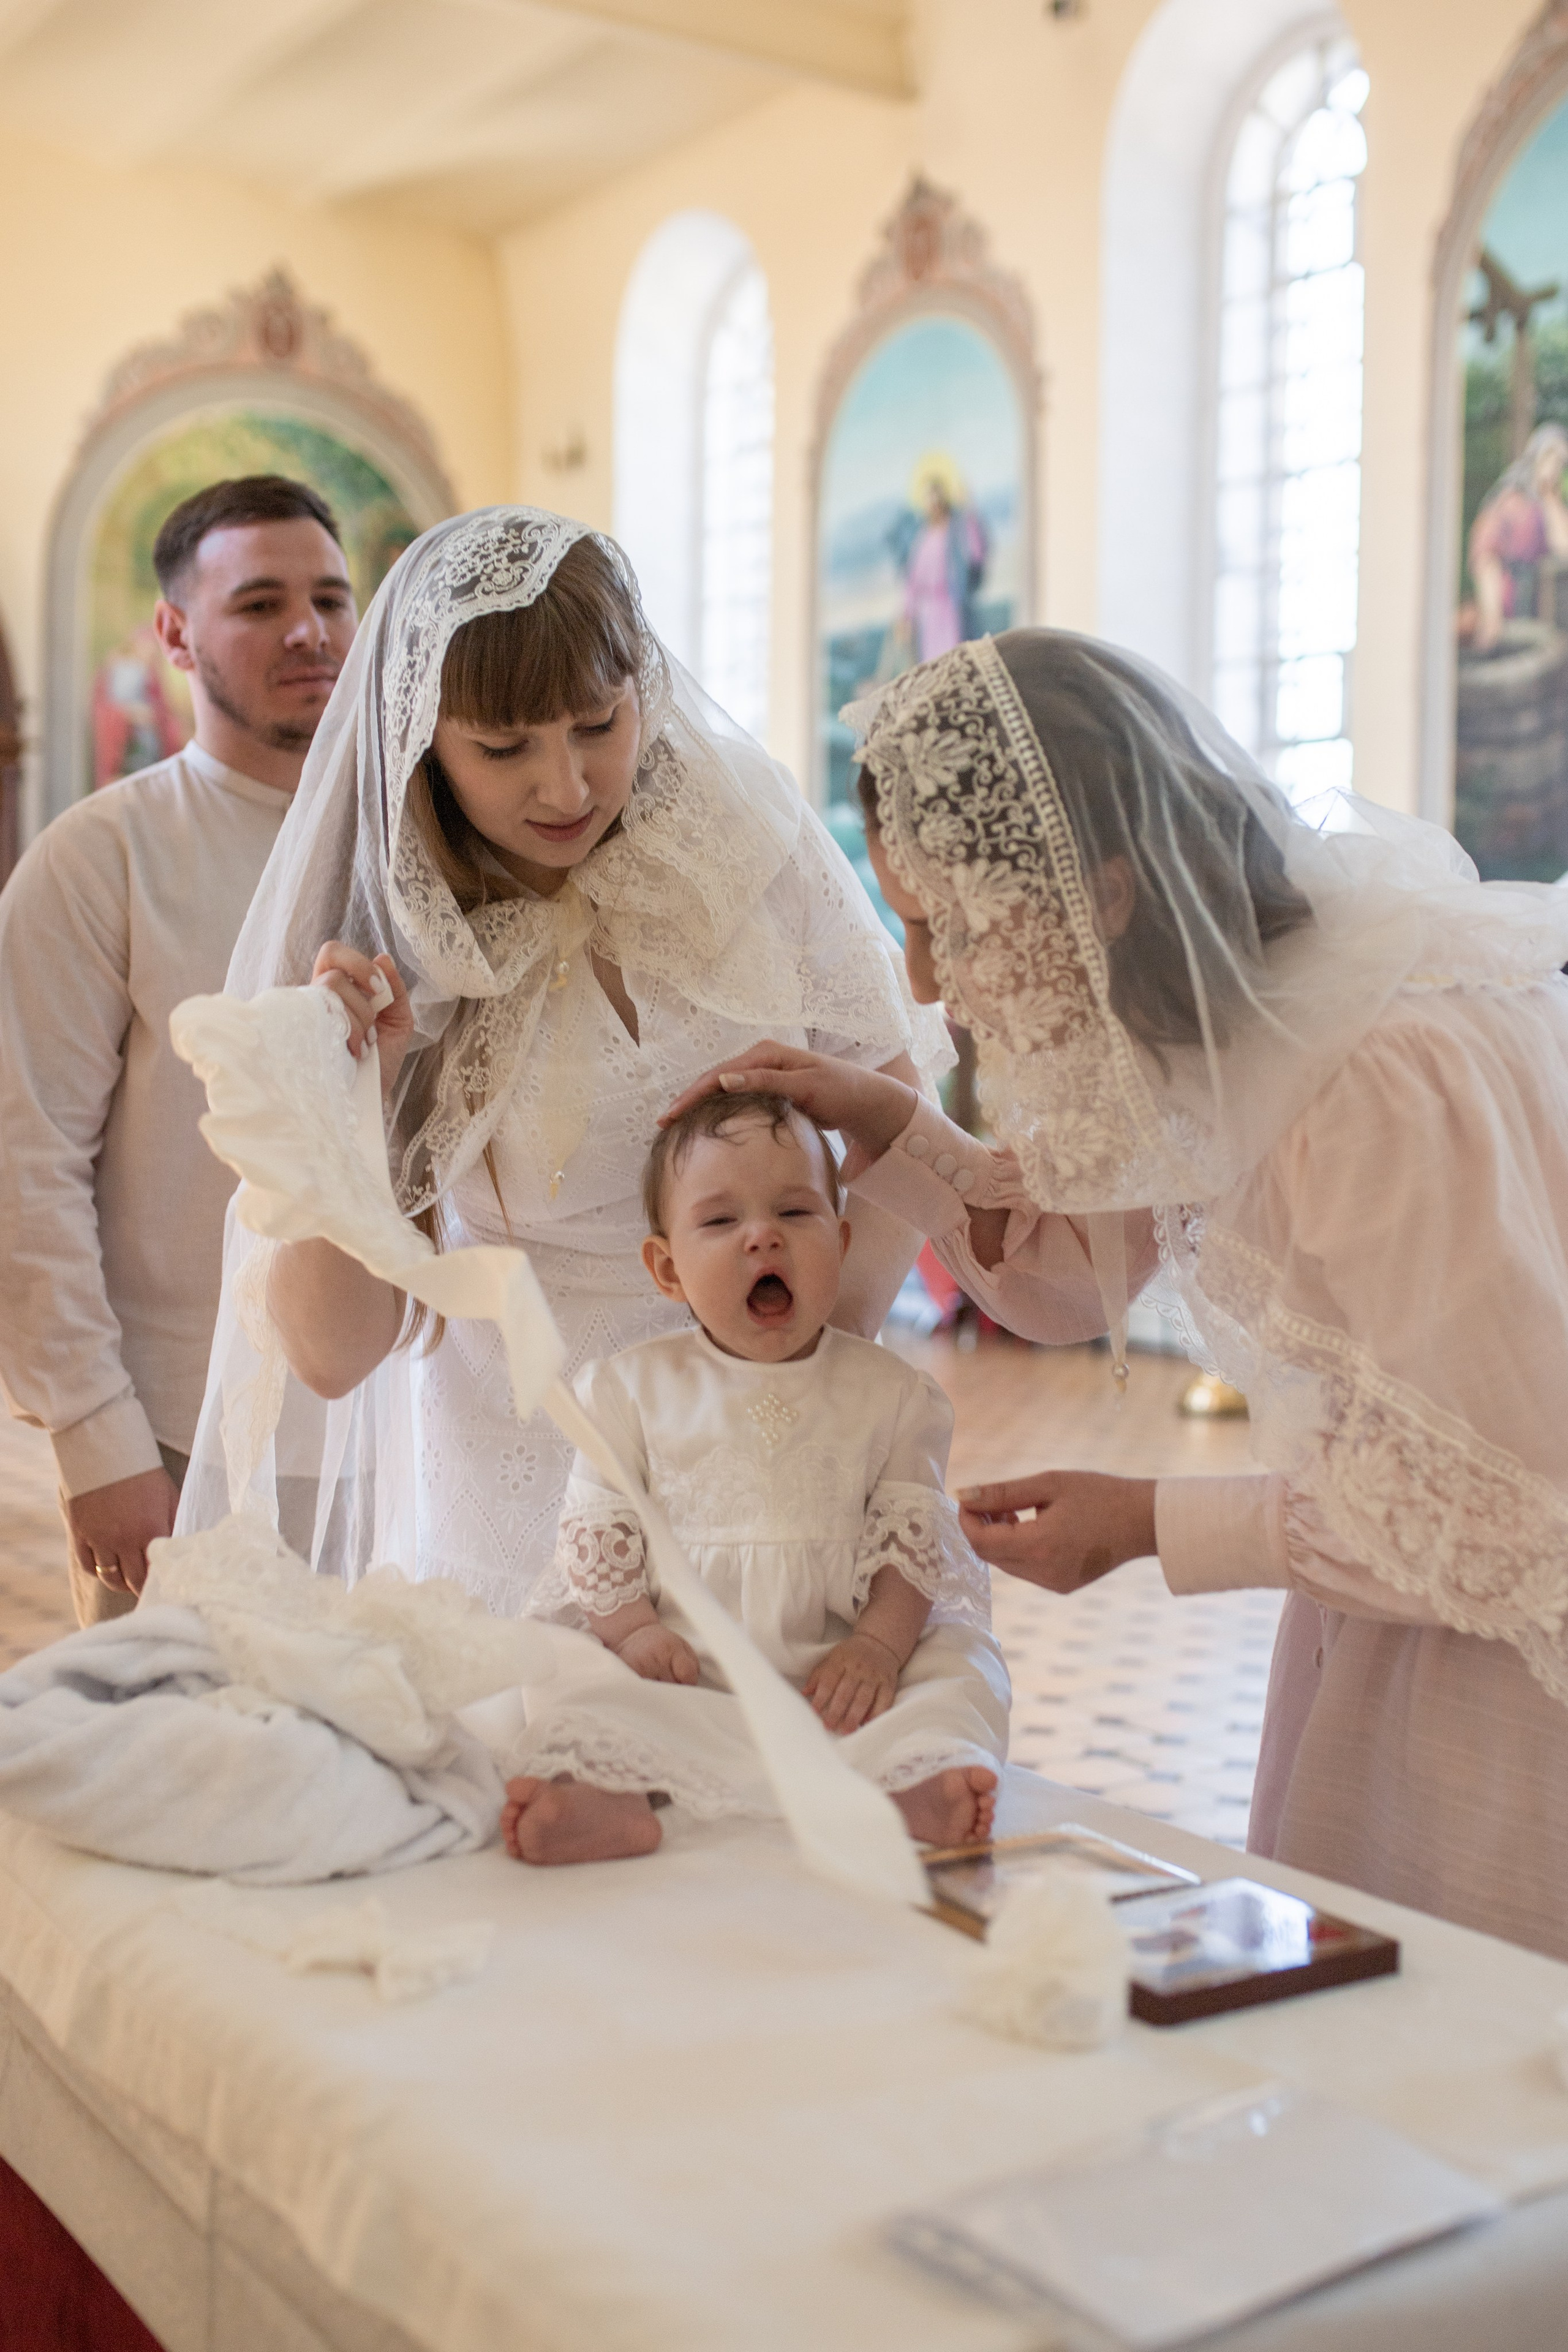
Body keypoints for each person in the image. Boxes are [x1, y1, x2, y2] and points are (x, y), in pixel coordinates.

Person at [668, 627, 1568, 1963]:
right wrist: (888, 1123)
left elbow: (1504, 1515)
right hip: (1381, 1623)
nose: (924, 981)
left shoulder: (1379, 1070)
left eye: (951, 930)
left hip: (1500, 1675)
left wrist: (1149, 1521)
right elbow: (1056, 1283)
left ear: (1104, 892)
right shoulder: (1219, 1030)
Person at [182, 508, 947, 1614]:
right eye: (504, 749)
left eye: (600, 722)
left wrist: (812, 1379)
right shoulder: (389, 958)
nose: (569, 787)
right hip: (527, 1509)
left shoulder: (743, 841)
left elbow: (896, 1118)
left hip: (786, 1481)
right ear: (421, 745)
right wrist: (361, 1094)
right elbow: (331, 1354)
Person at [0, 477, 356, 1624]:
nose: (308, 631)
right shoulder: (100, 856)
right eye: (259, 603)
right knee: (180, 1780)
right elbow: (25, 1158)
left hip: (405, 1423)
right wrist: (96, 1440)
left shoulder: (424, 843)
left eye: (331, 598)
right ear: (173, 634)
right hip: (175, 1426)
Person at [500, 1088, 1006, 1865]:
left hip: (838, 1682)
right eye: (720, 1220)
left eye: (795, 1214)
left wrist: (876, 1646)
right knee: (568, 1670)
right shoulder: (624, 1388)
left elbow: (912, 1551)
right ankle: (602, 1788)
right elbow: (597, 1536)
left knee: (957, 1666)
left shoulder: (896, 1397)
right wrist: (632, 1631)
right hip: (678, 1671)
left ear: (841, 1243)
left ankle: (915, 1777)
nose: (762, 1237)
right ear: (667, 1268)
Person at [1465, 422, 1568, 652]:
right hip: (1509, 610)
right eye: (1550, 457)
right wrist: (1492, 613)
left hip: (1547, 612)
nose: (1554, 467)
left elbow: (1564, 549)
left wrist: (1550, 497)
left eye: (1560, 462)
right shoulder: (1510, 502)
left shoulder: (1551, 506)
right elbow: (1486, 557)